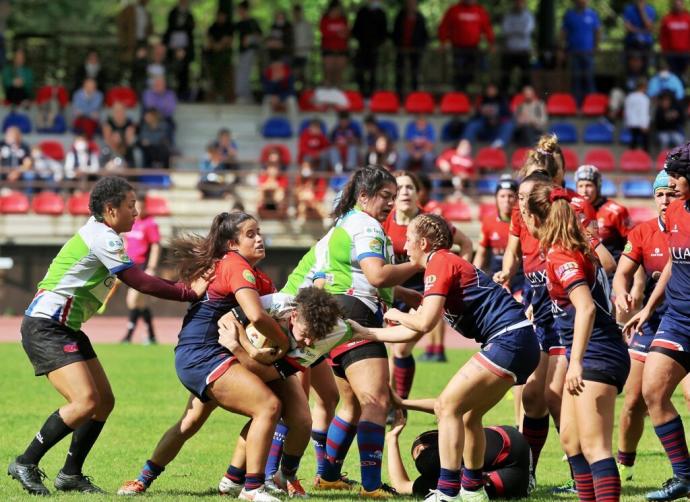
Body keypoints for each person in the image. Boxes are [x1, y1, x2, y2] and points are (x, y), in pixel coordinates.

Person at [7, 177, 208, 496]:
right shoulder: (103, 238)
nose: (137, 212)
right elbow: (139, 281)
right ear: (110, 209)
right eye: (131, 206)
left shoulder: (102, 233)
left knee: (104, 402)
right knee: (85, 402)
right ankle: (25, 462)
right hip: (47, 325)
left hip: (63, 326)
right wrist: (188, 292)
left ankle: (70, 474)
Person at [352, 212, 539, 502]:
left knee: (448, 406)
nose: (405, 247)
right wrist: (368, 333)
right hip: (519, 342)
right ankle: (473, 490)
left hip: (509, 338)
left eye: (409, 240)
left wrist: (398, 313)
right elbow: (412, 332)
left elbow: (424, 323)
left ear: (424, 243)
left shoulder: (439, 262)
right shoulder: (443, 264)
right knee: (469, 415)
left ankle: (448, 492)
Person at [118, 211, 296, 501]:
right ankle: (252, 489)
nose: (260, 238)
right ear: (231, 244)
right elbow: (257, 316)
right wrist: (283, 344)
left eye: (259, 232)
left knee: (190, 423)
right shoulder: (237, 267)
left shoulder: (248, 271)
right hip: (203, 355)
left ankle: (143, 480)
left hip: (206, 354)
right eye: (251, 234)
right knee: (268, 406)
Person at [313, 165, 423, 498]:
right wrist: (419, 264)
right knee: (375, 402)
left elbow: (354, 273)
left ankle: (328, 475)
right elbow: (374, 275)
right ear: (364, 196)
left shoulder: (344, 223)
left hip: (335, 313)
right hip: (355, 313)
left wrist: (402, 293)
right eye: (384, 196)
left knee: (352, 405)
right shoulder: (367, 226)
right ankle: (372, 487)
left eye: (393, 197)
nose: (390, 203)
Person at [523, 184, 629, 502]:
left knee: (595, 446)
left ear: (534, 218)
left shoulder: (560, 254)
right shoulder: (561, 248)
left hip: (597, 353)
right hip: (587, 352)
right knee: (571, 440)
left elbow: (585, 308)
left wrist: (577, 362)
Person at [613, 171, 690, 482]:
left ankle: (683, 473)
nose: (664, 199)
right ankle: (625, 465)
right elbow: (621, 273)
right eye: (659, 194)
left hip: (678, 320)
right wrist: (622, 294)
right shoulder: (642, 232)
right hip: (650, 322)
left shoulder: (682, 224)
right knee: (634, 400)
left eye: (669, 193)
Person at [384, 171, 473, 394]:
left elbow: (466, 244)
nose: (404, 192)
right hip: (393, 292)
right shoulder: (383, 221)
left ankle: (399, 405)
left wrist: (452, 280)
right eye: (400, 188)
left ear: (418, 193)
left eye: (409, 187)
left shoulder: (431, 223)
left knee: (401, 349)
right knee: (390, 350)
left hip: (424, 294)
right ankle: (390, 404)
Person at [386, 403, 531, 499]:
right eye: (417, 453)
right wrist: (391, 439)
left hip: (508, 445)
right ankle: (465, 475)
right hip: (513, 480)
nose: (421, 451)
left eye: (421, 448)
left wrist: (402, 402)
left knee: (432, 461)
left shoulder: (456, 434)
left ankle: (464, 473)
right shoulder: (431, 478)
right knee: (429, 482)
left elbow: (446, 406)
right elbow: (401, 486)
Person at [121, 196, 161, 344]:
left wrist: (152, 267)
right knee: (142, 303)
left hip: (142, 266)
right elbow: (125, 241)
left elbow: (156, 245)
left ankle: (128, 335)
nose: (139, 210)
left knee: (132, 301)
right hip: (129, 266)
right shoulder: (132, 222)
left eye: (142, 206)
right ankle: (151, 335)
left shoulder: (150, 223)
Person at [473, 177, 523, 295]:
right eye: (502, 196)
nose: (506, 200)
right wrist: (472, 277)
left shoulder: (523, 222)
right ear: (496, 198)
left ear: (517, 199)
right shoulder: (488, 221)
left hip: (520, 278)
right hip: (496, 278)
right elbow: (481, 253)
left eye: (510, 196)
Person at [574, 165, 632, 263]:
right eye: (580, 186)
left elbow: (631, 244)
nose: (584, 191)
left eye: (589, 185)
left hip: (612, 270)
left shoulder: (617, 211)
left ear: (598, 186)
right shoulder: (572, 211)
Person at [438, 0, 494, 89]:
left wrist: (491, 43)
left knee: (478, 70)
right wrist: (443, 42)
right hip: (458, 49)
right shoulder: (454, 10)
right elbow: (444, 27)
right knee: (459, 73)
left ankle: (481, 90)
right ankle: (460, 92)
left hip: (474, 48)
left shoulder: (480, 11)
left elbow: (487, 28)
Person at [560, 0, 601, 105]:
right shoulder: (569, 15)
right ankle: (576, 106)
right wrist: (561, 49)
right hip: (573, 53)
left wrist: (596, 47)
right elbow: (563, 33)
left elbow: (597, 31)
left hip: (588, 53)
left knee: (589, 79)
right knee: (575, 81)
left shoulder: (592, 14)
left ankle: (592, 104)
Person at [351, 0, 388, 98]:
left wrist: (377, 43)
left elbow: (384, 33)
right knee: (359, 71)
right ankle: (361, 93)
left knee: (373, 72)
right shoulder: (362, 12)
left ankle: (371, 95)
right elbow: (355, 30)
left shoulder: (381, 13)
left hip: (374, 48)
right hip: (362, 47)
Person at [392, 0, 428, 96]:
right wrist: (397, 45)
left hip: (415, 50)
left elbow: (424, 35)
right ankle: (398, 95)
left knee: (415, 73)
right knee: (400, 73)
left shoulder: (420, 18)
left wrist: (420, 47)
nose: (411, 5)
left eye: (413, 3)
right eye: (409, 3)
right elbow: (395, 33)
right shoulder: (400, 16)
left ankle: (415, 95)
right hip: (401, 49)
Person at [462, 83, 514, 149]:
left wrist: (497, 118)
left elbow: (508, 114)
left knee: (509, 125)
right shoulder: (482, 101)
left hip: (497, 126)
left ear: (496, 91)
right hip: (484, 125)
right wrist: (475, 112)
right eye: (489, 90)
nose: (490, 91)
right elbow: (475, 116)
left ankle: (499, 143)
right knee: (472, 124)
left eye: (493, 89)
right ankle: (465, 143)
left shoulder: (502, 101)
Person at [500, 0, 534, 93]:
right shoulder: (508, 16)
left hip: (524, 51)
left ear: (524, 3)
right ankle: (504, 98)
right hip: (510, 51)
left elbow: (526, 31)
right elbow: (505, 31)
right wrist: (519, 30)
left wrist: (513, 30)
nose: (519, 4)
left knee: (526, 78)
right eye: (517, 2)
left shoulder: (528, 16)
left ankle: (526, 97)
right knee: (505, 77)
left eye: (521, 2)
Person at [163, 0, 195, 100]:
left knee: (184, 71)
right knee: (172, 70)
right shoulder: (173, 13)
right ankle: (170, 92)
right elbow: (170, 27)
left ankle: (183, 94)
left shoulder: (189, 15)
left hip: (185, 47)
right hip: (173, 46)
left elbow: (191, 28)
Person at [234, 0, 262, 104]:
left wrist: (250, 39)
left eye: (239, 9)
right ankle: (245, 96)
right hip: (241, 52)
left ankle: (244, 96)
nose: (238, 12)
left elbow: (259, 36)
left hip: (250, 51)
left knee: (244, 73)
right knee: (240, 73)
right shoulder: (240, 23)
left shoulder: (252, 22)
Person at [205, 10, 234, 102]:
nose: (221, 18)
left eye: (223, 16)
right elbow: (209, 41)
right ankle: (214, 95)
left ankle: (226, 96)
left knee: (225, 75)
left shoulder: (228, 27)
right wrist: (215, 46)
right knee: (214, 76)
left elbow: (229, 40)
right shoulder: (213, 27)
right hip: (213, 57)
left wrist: (220, 45)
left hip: (225, 56)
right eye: (219, 16)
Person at [320, 0, 349, 88]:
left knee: (339, 72)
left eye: (339, 10)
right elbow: (325, 33)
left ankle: (338, 92)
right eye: (335, 10)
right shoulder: (325, 20)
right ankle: (327, 92)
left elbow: (346, 33)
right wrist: (337, 34)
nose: (337, 12)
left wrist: (339, 34)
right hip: (328, 49)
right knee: (328, 71)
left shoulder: (343, 19)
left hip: (342, 50)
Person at [622, 0, 656, 74]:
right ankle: (630, 82)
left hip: (646, 43)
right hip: (631, 42)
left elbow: (649, 27)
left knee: (645, 68)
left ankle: (643, 81)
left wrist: (642, 11)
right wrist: (642, 31)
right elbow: (627, 27)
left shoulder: (650, 10)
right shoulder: (628, 9)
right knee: (630, 67)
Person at [660, 0, 690, 81]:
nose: (678, 6)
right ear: (672, 5)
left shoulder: (688, 18)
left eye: (679, 4)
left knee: (685, 78)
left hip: (686, 54)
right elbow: (663, 37)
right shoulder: (667, 19)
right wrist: (664, 51)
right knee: (673, 77)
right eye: (676, 4)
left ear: (683, 4)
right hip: (671, 54)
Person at [624, 78, 651, 151]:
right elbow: (643, 112)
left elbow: (627, 111)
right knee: (645, 143)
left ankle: (632, 158)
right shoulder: (644, 98)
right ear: (643, 87)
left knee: (633, 141)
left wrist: (627, 122)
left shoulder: (629, 97)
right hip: (641, 124)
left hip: (631, 123)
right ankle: (645, 158)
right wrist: (645, 125)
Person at [292, 5, 314, 89]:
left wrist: (308, 47)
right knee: (294, 74)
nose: (296, 14)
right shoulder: (292, 25)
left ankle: (306, 91)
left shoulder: (306, 25)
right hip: (294, 54)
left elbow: (311, 38)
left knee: (305, 74)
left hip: (304, 53)